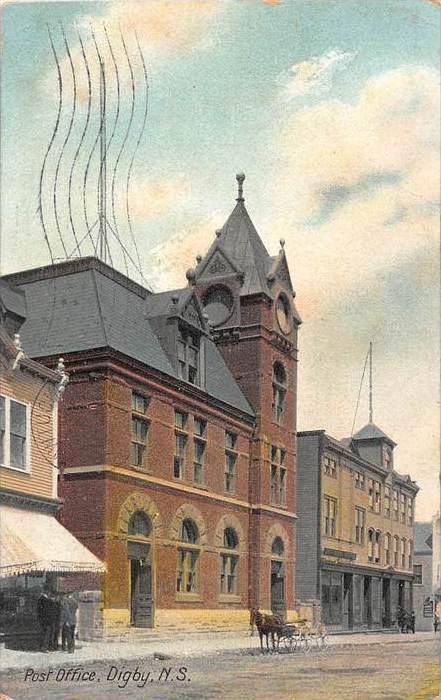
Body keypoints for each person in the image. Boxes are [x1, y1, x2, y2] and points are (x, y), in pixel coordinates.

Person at [37, 588, 52, 652]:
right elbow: (48, 611)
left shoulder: (40, 599)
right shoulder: (46, 600)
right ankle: (44, 647)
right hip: (47, 620)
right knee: (46, 634)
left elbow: (39, 610)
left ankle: (41, 646)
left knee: (42, 633)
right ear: (47, 592)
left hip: (42, 620)